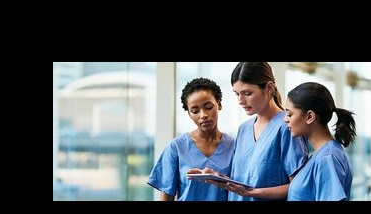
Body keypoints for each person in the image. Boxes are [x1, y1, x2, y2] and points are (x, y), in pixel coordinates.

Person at [191, 62, 309, 201]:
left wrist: (252, 193)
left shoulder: (287, 127)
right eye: (237, 94)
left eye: (247, 93)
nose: (240, 100)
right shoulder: (243, 130)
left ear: (269, 87)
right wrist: (220, 178)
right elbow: (245, 180)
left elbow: (299, 187)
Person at [147, 78, 233, 201]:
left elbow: (241, 189)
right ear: (189, 113)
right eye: (195, 110)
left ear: (219, 104)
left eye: (208, 106)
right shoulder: (176, 147)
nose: (203, 115)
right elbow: (167, 196)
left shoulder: (234, 147)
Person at [283, 82, 356, 201]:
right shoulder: (322, 154)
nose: (285, 119)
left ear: (310, 117)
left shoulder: (328, 158)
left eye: (290, 114)